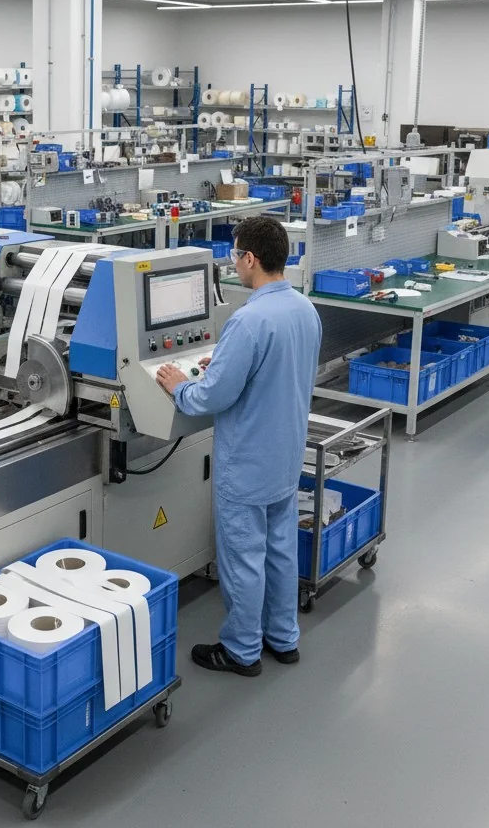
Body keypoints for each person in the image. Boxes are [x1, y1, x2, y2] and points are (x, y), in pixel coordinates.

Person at [156, 216, 322, 676]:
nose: (234, 263)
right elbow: (277, 371)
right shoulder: (305, 309)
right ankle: (283, 638)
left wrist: (179, 387)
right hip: (286, 457)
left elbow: (211, 396)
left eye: (235, 255)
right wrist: (225, 363)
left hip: (247, 464)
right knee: (281, 549)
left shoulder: (248, 321)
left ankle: (242, 650)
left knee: (244, 558)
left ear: (249, 259)